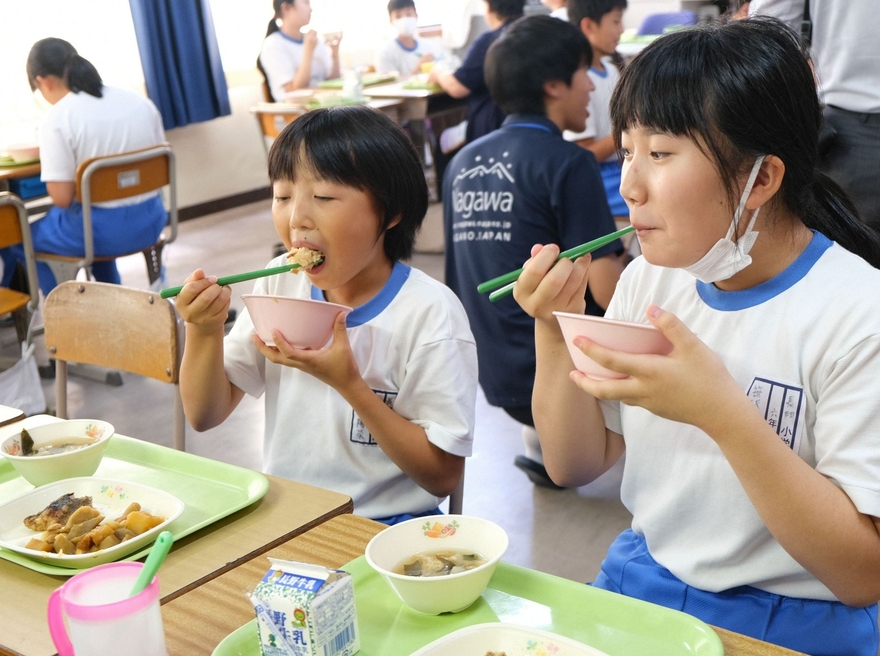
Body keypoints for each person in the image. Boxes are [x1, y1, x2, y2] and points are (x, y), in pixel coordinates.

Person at [512, 18, 880, 655]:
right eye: (627, 150)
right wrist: (552, 326)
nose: (629, 185)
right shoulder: (649, 280)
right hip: (643, 582)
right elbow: (573, 463)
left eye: (659, 154)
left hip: (794, 616)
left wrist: (723, 414)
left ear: (761, 180)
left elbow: (862, 575)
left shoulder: (873, 322)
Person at [177, 107, 477, 525]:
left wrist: (349, 384)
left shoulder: (430, 315)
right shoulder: (277, 285)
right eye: (282, 197)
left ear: (390, 213)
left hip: (384, 524)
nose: (296, 218)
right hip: (288, 518)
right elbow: (204, 414)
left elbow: (443, 476)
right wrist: (204, 330)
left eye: (323, 197)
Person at [443, 16, 625, 489]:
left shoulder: (461, 161)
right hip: (552, 374)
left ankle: (539, 444)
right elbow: (607, 288)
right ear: (552, 85)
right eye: (584, 72)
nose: (590, 86)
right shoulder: (570, 162)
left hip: (490, 369)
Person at [749, 0, 880, 324]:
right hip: (848, 135)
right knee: (846, 300)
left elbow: (769, 28)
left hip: (846, 136)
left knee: (849, 305)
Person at [0, 38, 167, 296]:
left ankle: (69, 317)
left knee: (21, 240)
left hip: (102, 233)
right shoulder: (137, 102)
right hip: (152, 221)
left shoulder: (59, 118)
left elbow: (62, 198)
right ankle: (111, 300)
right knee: (90, 214)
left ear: (43, 81)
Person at [428, 0, 526, 145]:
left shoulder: (491, 41)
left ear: (489, 7)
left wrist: (437, 73)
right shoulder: (533, 33)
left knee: (443, 145)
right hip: (530, 122)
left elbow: (458, 87)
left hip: (494, 127)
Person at [565, 0, 629, 219]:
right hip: (601, 179)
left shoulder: (613, 70)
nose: (621, 30)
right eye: (615, 21)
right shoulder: (579, 81)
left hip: (621, 167)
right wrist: (628, 130)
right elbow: (587, 155)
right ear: (588, 26)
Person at [258, 0, 341, 103]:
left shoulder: (315, 39)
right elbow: (295, 90)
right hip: (297, 112)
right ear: (286, 8)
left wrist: (335, 53)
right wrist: (308, 51)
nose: (311, 9)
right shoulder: (273, 45)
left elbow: (333, 81)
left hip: (325, 105)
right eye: (306, 3)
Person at [377, 0, 444, 78]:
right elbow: (388, 85)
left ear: (416, 15)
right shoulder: (385, 52)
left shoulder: (430, 47)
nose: (404, 20)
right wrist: (419, 67)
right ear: (391, 20)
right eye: (398, 16)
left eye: (408, 14)